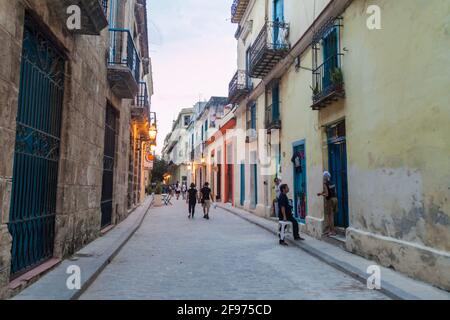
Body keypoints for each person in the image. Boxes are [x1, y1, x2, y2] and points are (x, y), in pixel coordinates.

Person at [318, 171, 338, 236]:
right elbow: (334, 191)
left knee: (330, 217)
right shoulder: (332, 182)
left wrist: (322, 195)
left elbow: (326, 194)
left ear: (324, 177)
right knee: (331, 216)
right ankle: (330, 230)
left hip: (330, 200)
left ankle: (332, 231)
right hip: (335, 199)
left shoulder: (325, 184)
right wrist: (321, 193)